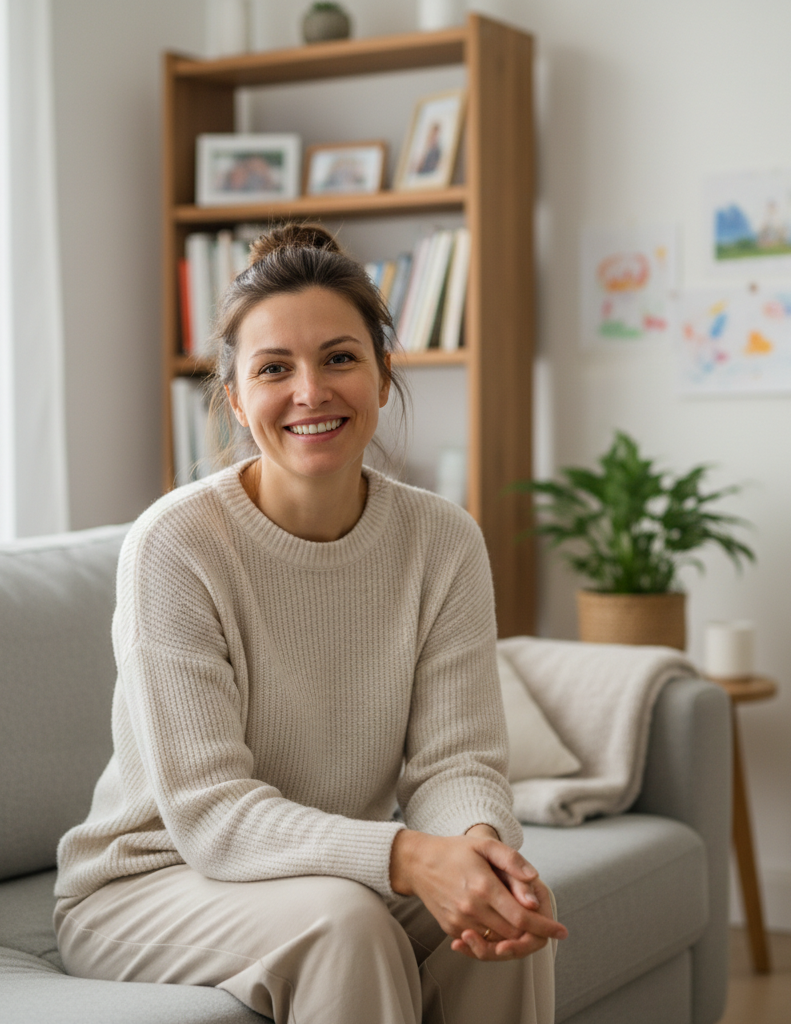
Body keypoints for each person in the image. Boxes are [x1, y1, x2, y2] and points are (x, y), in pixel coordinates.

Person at [53, 224, 567, 1024]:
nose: (310, 392)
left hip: (314, 875)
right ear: (234, 398)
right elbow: (213, 815)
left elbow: (454, 759)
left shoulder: (442, 540)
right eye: (273, 369)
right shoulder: (177, 544)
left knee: (503, 906)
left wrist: (478, 851)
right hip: (150, 880)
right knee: (347, 926)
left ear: (383, 375)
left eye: (339, 358)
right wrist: (405, 855)